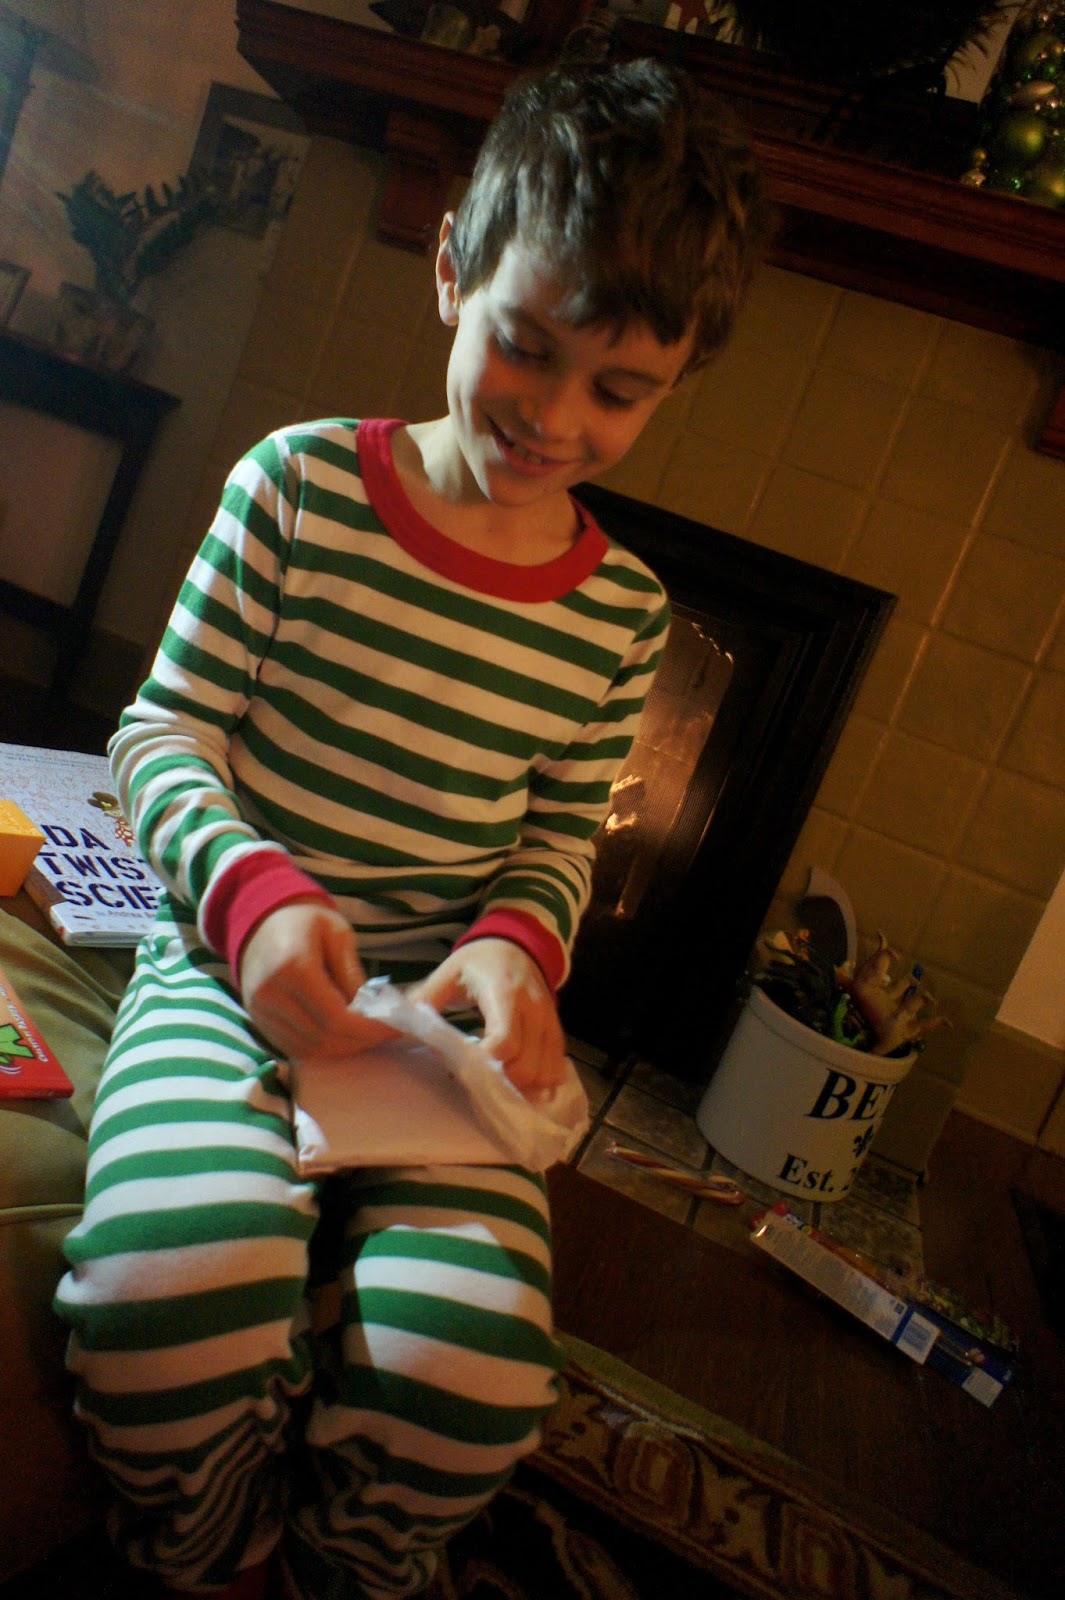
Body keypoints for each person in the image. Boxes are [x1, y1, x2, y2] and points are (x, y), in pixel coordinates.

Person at [54, 55, 769, 1600]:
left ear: (677, 377)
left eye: (618, 391)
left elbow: (554, 842)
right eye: (526, 346)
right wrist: (251, 898)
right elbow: (161, 732)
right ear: (452, 267)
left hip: (435, 1035)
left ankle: (344, 1574)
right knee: (169, 1301)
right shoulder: (296, 487)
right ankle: (212, 1553)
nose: (555, 416)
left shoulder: (620, 618)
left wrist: (513, 952)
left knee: (472, 1378)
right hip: (226, 975)